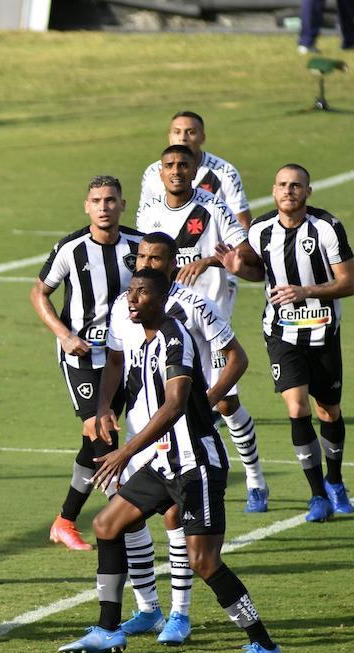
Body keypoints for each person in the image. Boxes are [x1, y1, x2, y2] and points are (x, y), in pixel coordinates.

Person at [58, 268, 282, 653]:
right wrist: (104, 413)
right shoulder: (141, 343)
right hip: (163, 463)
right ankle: (108, 629)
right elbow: (128, 385)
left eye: (142, 293)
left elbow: (176, 404)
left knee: (205, 562)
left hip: (196, 464)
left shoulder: (175, 337)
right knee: (107, 525)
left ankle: (263, 644)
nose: (132, 299)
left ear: (161, 299)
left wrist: (126, 452)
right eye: (130, 291)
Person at [99, 232, 249, 646]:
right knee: (122, 521)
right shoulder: (125, 304)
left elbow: (236, 357)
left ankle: (180, 615)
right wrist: (104, 406)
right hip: (138, 433)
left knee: (174, 524)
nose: (148, 261)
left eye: (157, 257)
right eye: (142, 255)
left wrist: (206, 402)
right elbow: (115, 360)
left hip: (179, 434)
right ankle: (147, 608)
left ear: (171, 262)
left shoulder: (194, 306)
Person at [217, 164, 354, 522]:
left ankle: (336, 480)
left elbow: (349, 282)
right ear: (275, 191)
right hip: (281, 333)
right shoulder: (260, 229)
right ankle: (317, 495)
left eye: (296, 185)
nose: (288, 191)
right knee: (297, 410)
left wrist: (305, 291)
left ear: (308, 191)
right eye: (281, 185)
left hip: (324, 331)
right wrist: (237, 268)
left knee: (329, 411)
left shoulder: (327, 228)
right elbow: (259, 272)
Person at [137, 145, 270, 510]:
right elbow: (142, 261)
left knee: (226, 402)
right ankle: (173, 478)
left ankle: (255, 479)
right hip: (166, 320)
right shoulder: (149, 213)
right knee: (165, 403)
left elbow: (245, 255)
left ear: (195, 170)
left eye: (183, 164)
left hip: (208, 319)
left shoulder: (212, 207)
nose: (177, 170)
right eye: (169, 166)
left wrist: (212, 260)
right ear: (160, 173)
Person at [30, 176, 142, 551]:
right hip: (81, 355)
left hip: (122, 356)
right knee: (99, 429)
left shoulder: (138, 246)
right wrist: (64, 335)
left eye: (110, 200)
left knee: (94, 439)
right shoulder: (71, 248)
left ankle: (64, 521)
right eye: (96, 200)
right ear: (87, 206)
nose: (104, 207)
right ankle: (124, 511)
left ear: (122, 204)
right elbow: (39, 292)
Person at [138, 111, 252, 231]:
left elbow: (242, 222)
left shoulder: (224, 172)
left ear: (202, 137)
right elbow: (144, 218)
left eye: (191, 132)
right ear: (169, 136)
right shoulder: (152, 172)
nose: (183, 138)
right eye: (177, 132)